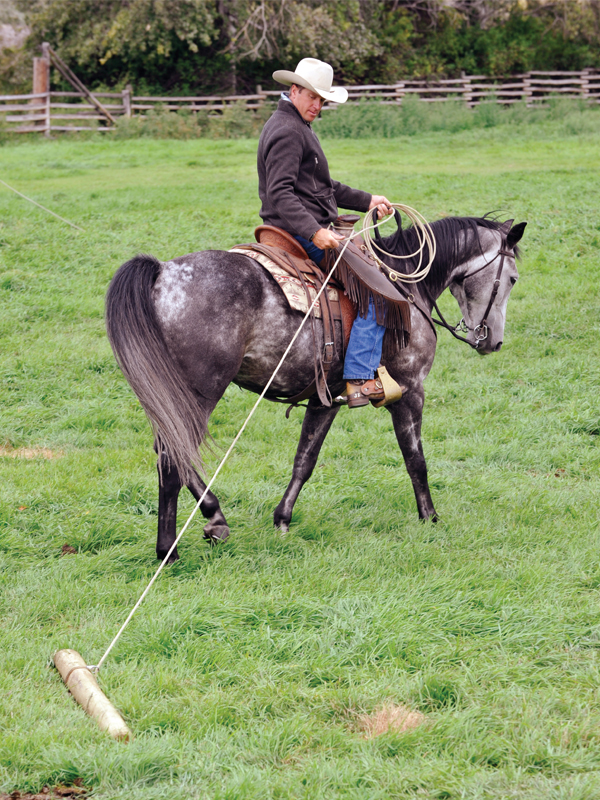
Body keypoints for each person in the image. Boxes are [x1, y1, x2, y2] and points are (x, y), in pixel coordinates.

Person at [257, 57, 398, 409]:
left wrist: (367, 200)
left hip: (300, 226)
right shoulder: (289, 131)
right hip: (299, 232)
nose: (317, 106)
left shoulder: (294, 124)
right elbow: (281, 193)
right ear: (294, 90)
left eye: (322, 100)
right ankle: (360, 379)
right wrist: (315, 231)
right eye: (312, 97)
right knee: (377, 293)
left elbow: (323, 185)